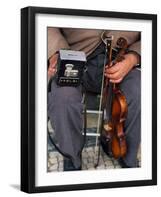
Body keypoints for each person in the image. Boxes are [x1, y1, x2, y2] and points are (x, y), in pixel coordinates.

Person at [47, 28, 141, 171]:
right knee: (63, 97)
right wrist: (57, 51)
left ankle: (127, 156)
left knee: (139, 89)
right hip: (76, 52)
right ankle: (72, 158)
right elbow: (47, 24)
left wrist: (134, 57)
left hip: (124, 57)